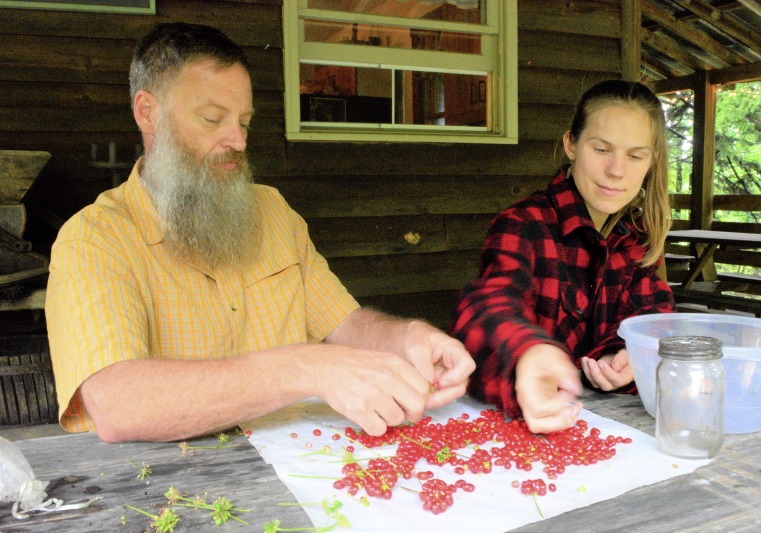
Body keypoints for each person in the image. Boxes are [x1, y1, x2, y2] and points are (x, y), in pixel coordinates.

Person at [45, 22, 475, 443]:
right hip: (169, 492)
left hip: (303, 468)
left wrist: (407, 338)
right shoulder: (94, 238)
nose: (237, 140)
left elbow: (343, 324)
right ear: (148, 112)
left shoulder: (273, 211)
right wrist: (306, 367)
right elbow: (118, 403)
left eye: (244, 121)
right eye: (213, 118)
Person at [449, 80, 675, 435]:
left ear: (652, 161)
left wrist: (622, 356)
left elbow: (654, 317)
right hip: (515, 431)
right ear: (571, 145)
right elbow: (488, 307)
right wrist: (528, 353)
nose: (617, 170)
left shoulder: (636, 238)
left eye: (635, 155)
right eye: (602, 149)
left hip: (605, 432)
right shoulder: (523, 224)